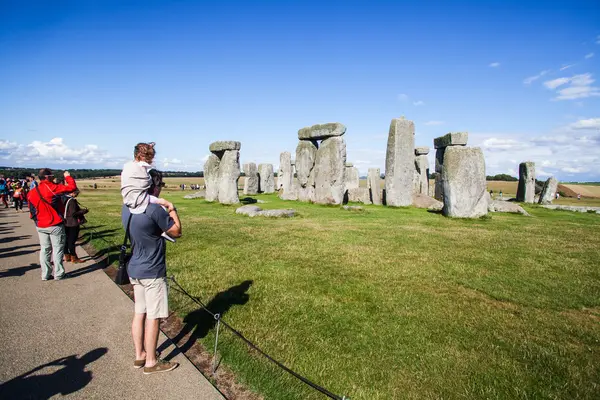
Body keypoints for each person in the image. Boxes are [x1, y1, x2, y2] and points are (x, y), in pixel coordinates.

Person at [122, 169, 181, 375]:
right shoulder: (154, 210)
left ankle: (140, 355)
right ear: (152, 187)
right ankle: (151, 362)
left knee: (139, 312)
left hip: (134, 267)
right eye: (160, 185)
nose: (160, 188)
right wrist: (171, 208)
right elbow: (176, 231)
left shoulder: (127, 207)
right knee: (153, 317)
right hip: (152, 270)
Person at [27, 168, 77, 281]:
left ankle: (45, 274)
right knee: (57, 249)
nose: (53, 178)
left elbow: (31, 210)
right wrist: (68, 176)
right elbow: (71, 188)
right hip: (54, 223)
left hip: (40, 225)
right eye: (51, 176)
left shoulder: (32, 192)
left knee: (45, 249)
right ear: (47, 177)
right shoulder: (51, 188)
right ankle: (59, 273)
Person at [120, 142, 172, 214]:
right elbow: (142, 197)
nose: (151, 160)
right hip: (141, 203)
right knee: (163, 204)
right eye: (150, 157)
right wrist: (165, 203)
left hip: (130, 201)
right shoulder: (140, 168)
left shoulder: (128, 167)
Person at [62, 189, 88, 263]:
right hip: (72, 223)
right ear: (73, 193)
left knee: (66, 240)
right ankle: (74, 257)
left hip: (65, 222)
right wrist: (83, 211)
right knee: (72, 241)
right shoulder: (72, 201)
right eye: (77, 194)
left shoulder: (63, 198)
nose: (77, 195)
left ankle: (67, 255)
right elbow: (73, 213)